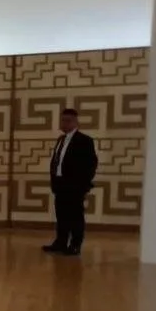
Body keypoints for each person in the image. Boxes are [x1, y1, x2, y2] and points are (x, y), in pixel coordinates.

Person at [45, 107, 98, 256]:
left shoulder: (85, 140)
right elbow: (57, 161)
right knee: (61, 215)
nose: (64, 123)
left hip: (75, 186)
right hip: (60, 185)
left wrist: (82, 184)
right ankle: (60, 242)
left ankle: (75, 245)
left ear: (75, 122)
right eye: (62, 120)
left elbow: (91, 164)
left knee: (75, 216)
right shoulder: (60, 140)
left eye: (68, 121)